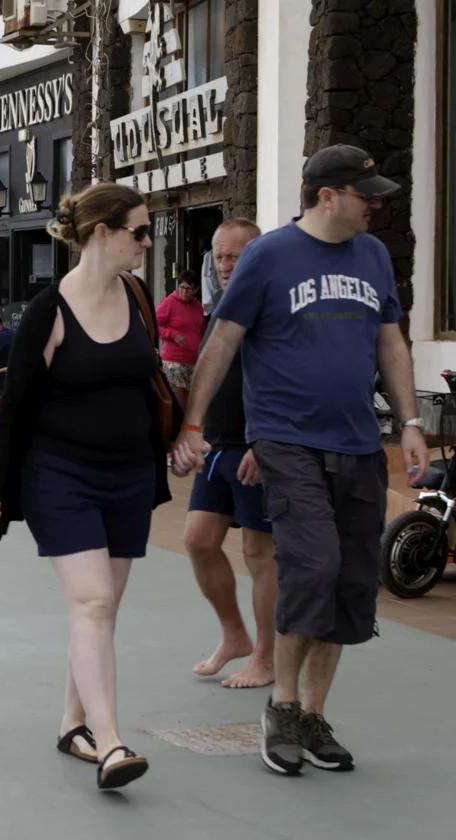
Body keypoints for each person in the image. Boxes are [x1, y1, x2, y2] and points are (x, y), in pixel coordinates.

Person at [172, 145, 427, 777]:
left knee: (351, 583)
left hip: (359, 443)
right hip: (287, 440)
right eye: (365, 193)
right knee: (312, 566)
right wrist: (194, 424)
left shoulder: (372, 256)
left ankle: (313, 714)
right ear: (327, 195)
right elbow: (223, 341)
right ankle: (282, 705)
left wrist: (413, 420)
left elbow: (389, 338)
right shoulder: (269, 256)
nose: (375, 204)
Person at [0, 182, 169, 790]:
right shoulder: (47, 312)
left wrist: (181, 436)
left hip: (130, 476)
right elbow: (16, 410)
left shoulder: (138, 296)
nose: (147, 241)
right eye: (138, 230)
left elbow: (147, 382)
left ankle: (72, 722)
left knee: (101, 611)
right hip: (62, 476)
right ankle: (110, 745)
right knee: (93, 602)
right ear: (103, 233)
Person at [182, 219, 276, 690]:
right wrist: (192, 434)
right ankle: (234, 635)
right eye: (219, 256)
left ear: (255, 255)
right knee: (199, 540)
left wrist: (266, 442)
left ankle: (265, 656)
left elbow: (281, 381)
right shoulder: (217, 308)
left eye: (234, 256)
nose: (224, 265)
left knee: (259, 552)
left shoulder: (270, 306)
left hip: (256, 446)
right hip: (218, 445)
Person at [156, 272, 205, 407]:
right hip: (174, 362)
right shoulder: (169, 302)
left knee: (192, 407)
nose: (184, 291)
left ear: (196, 290)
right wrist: (172, 334)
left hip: (193, 361)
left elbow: (200, 332)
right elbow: (154, 325)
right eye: (181, 287)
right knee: (180, 406)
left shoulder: (198, 307)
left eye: (188, 288)